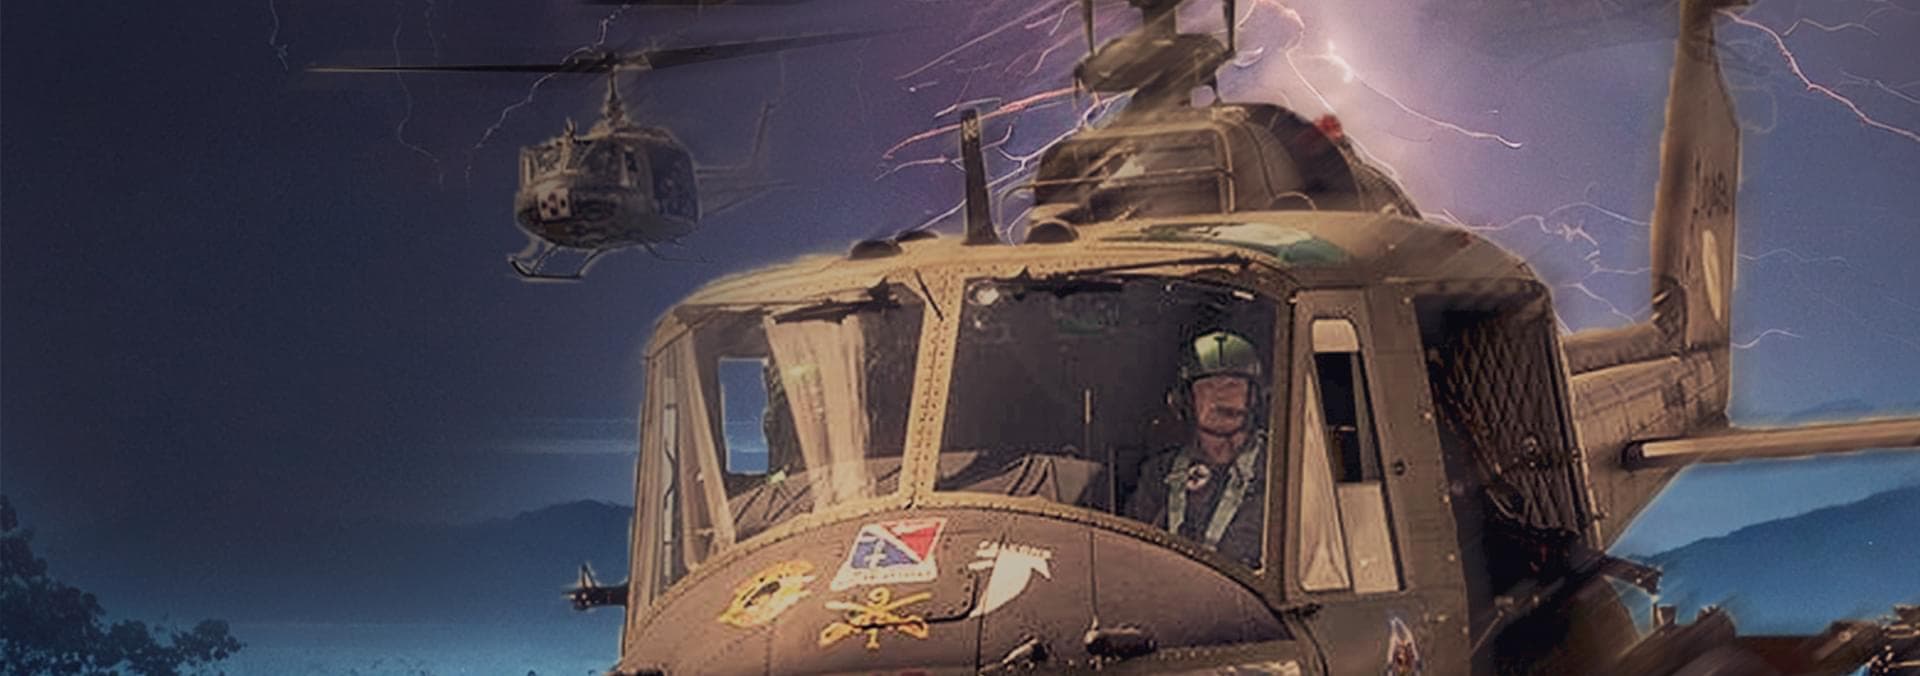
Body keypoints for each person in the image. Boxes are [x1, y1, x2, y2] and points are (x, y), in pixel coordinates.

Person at [1126, 330, 1268, 567]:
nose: (1221, 398)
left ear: (1253, 397)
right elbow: (1132, 552)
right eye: (1209, 387)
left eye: (1232, 385)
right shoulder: (1159, 474)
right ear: (1187, 400)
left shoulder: (1280, 469)